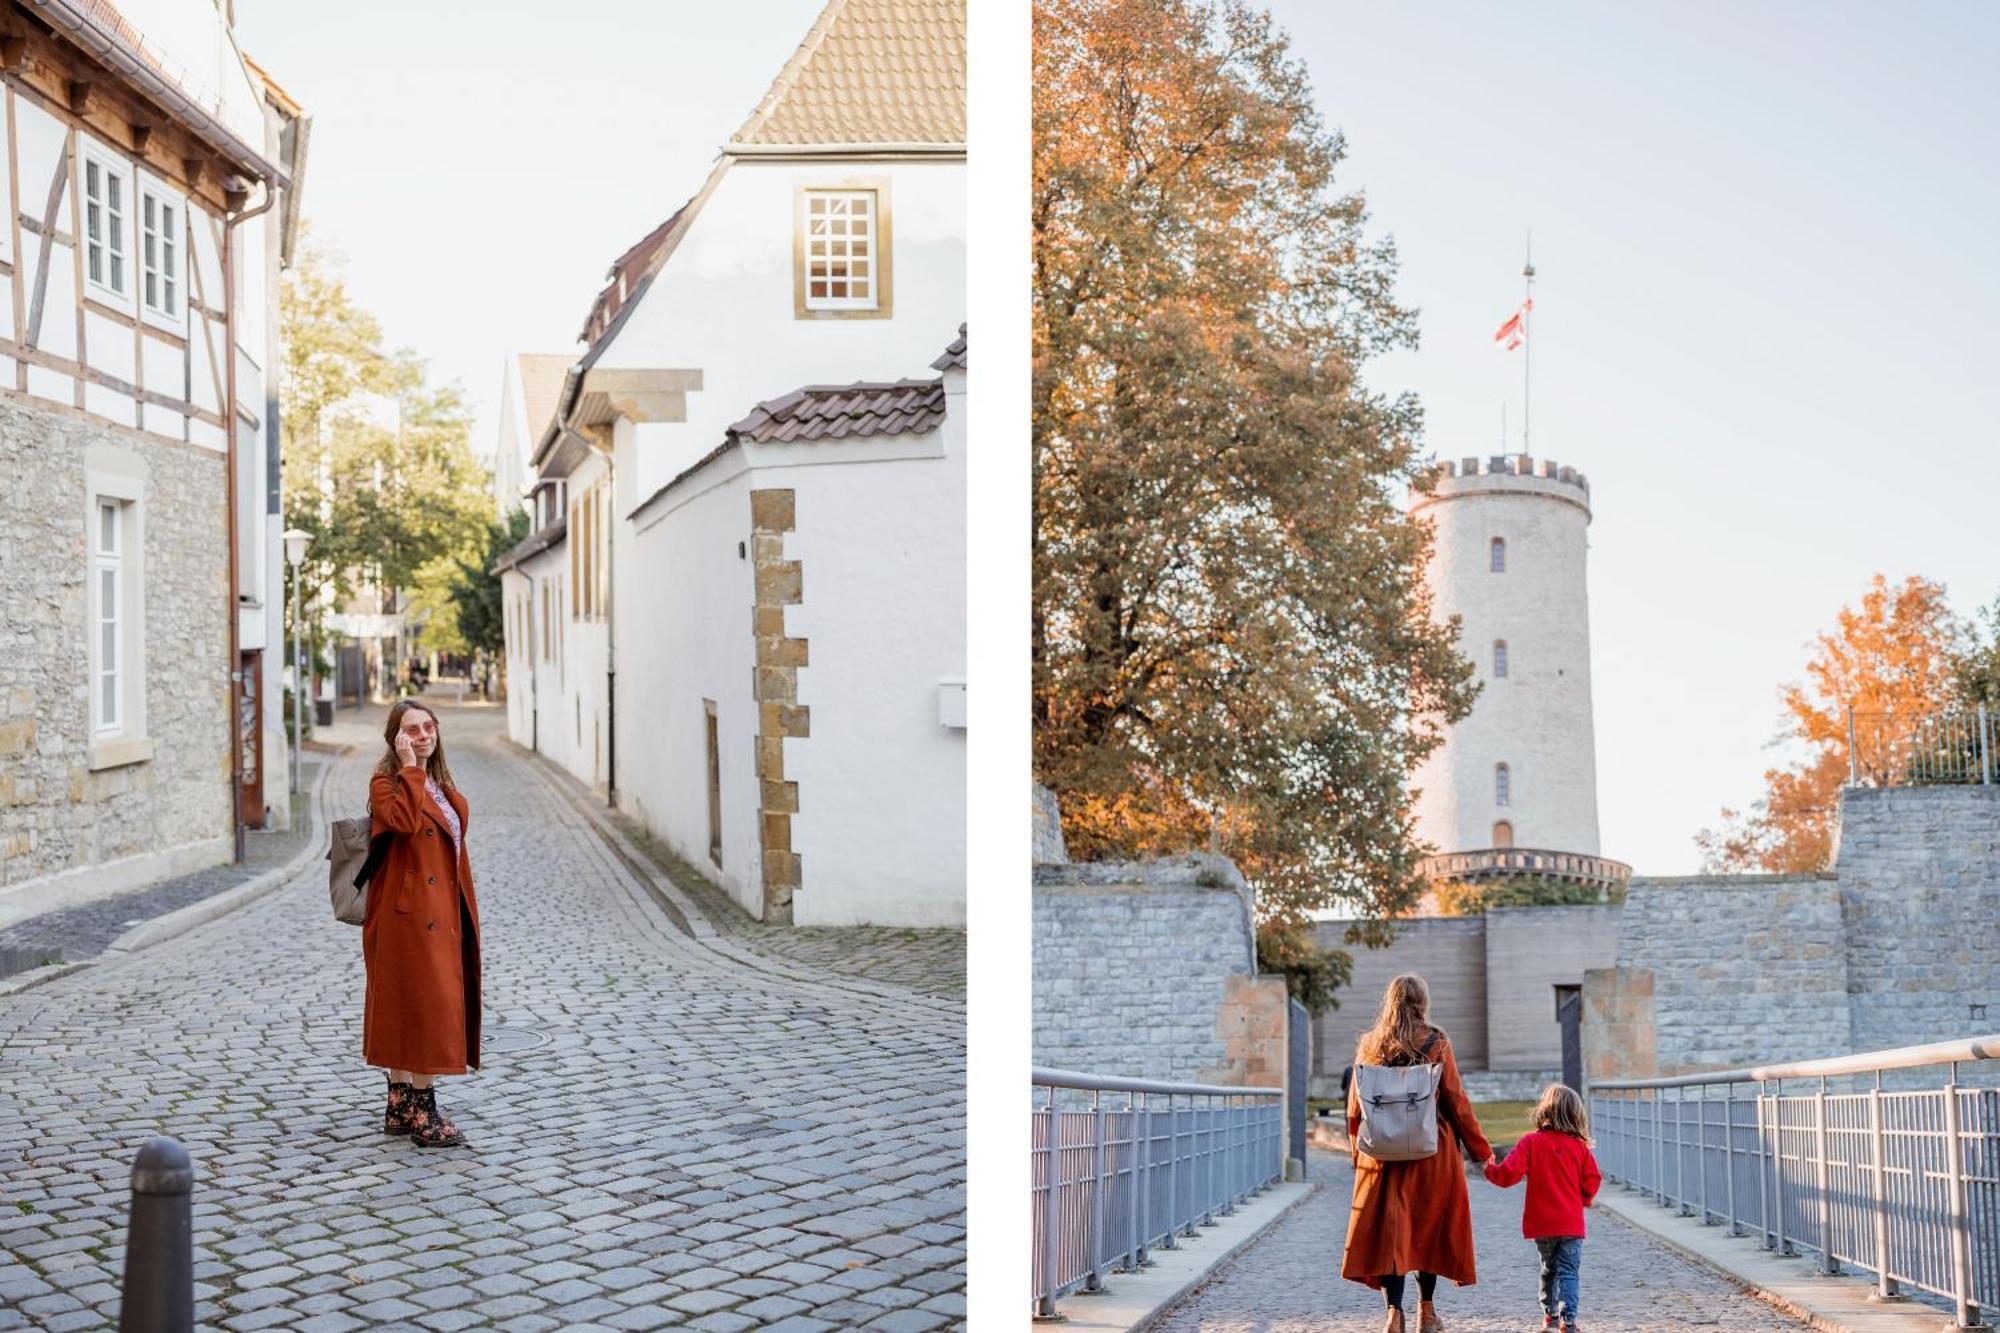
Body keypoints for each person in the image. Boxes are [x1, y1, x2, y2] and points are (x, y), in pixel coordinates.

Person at [1342, 974, 1492, 1333]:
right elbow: (1456, 1102)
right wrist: (1480, 1151)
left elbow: (1354, 1109)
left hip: (1382, 1157)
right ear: (1422, 1002)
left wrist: (1358, 1158)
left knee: (1392, 1235)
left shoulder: (1370, 1045)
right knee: (1427, 1231)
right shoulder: (1437, 1042)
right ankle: (1427, 1311)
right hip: (1431, 1153)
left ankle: (1394, 1315)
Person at [363, 700, 483, 1147]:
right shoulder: (387, 782)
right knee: (425, 1005)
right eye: (411, 730)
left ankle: (398, 1101)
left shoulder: (440, 784)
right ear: (396, 738)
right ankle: (423, 1107)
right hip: (405, 916)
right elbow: (403, 822)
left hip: (439, 911)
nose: (423, 736)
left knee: (410, 1002)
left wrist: (422, 773)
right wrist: (410, 767)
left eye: (429, 727)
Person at [1483, 1083, 1602, 1332]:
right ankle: (1569, 1321)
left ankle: (1550, 1317)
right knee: (1569, 1270)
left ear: (1544, 1111)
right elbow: (1593, 1179)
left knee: (1548, 1269)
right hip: (1572, 1224)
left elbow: (1508, 1174)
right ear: (1575, 1115)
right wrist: (1584, 1200)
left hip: (1543, 1224)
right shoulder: (1579, 1148)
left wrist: (1490, 1169)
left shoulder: (1530, 1143)